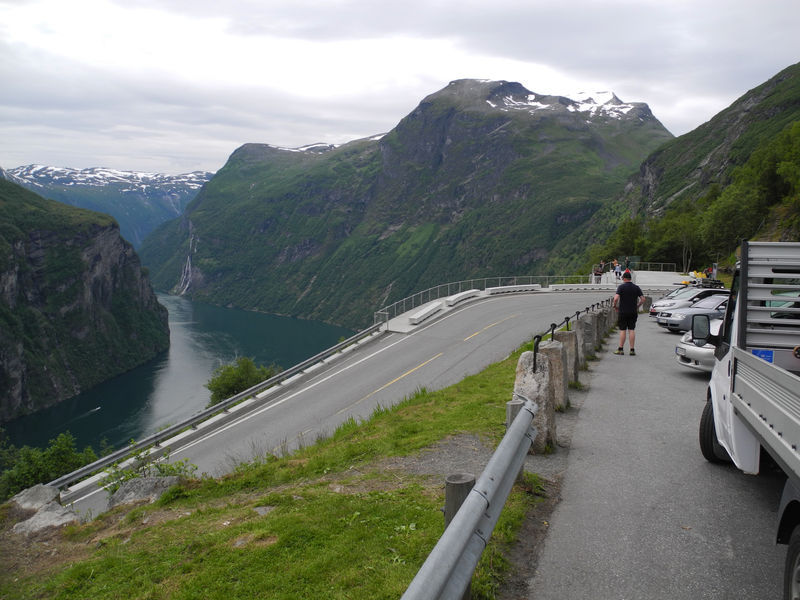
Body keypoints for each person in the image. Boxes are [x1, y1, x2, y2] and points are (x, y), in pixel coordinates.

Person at [612, 270, 644, 356]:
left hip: (623, 311)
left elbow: (615, 298)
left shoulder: (621, 287)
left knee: (623, 330)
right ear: (630, 278)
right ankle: (632, 350)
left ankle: (620, 349)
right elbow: (643, 299)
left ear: (624, 278)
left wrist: (615, 306)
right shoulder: (636, 287)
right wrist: (637, 306)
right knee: (631, 330)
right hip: (633, 311)